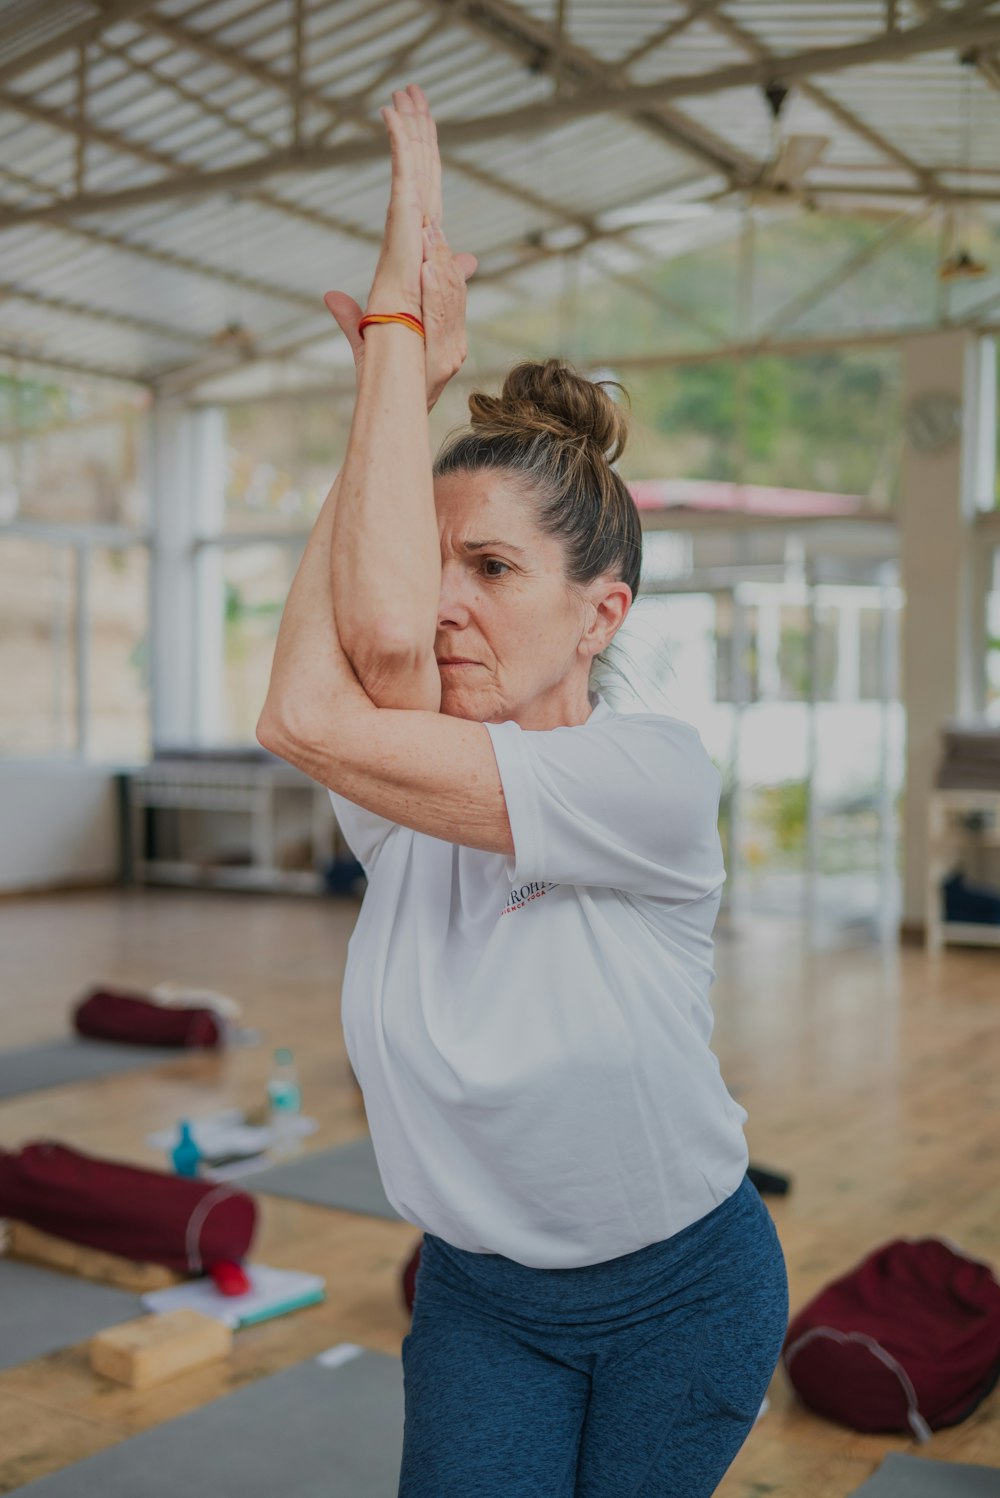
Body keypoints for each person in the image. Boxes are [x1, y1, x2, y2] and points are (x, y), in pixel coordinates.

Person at [258, 83, 788, 1498]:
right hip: (485, 1302)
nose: (442, 606)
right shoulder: (404, 790)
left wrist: (396, 330)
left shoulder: (651, 778)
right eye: (434, 563)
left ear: (602, 613)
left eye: (488, 569)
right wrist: (407, 380)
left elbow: (306, 706)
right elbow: (334, 664)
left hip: (685, 1297)